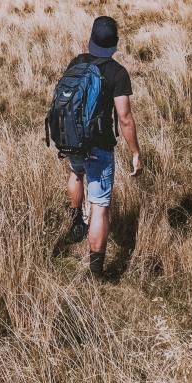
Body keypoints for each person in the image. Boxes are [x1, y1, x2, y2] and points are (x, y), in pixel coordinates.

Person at [64, 15, 142, 278]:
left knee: (76, 173)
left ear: (91, 39)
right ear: (115, 44)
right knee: (99, 206)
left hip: (73, 138)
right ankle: (96, 273)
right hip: (100, 144)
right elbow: (124, 118)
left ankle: (76, 222)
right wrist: (135, 153)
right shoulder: (118, 73)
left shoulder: (77, 62)